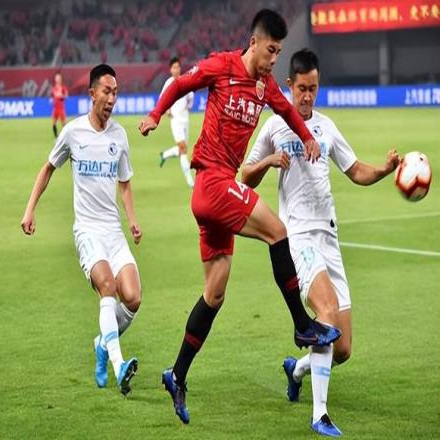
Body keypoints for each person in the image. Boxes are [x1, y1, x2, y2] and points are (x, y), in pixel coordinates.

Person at [139, 10, 341, 424]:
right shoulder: (222, 66)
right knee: (277, 231)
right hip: (212, 183)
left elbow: (287, 112)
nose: (274, 59)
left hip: (218, 192)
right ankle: (302, 325)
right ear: (254, 43)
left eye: (279, 52)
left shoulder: (265, 86)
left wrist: (307, 137)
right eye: (271, 51)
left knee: (214, 293)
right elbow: (180, 84)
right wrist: (156, 114)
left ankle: (177, 374)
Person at [243, 49, 399, 437]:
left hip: (329, 237)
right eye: (302, 88)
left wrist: (384, 169)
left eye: (313, 88)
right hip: (297, 238)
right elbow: (245, 175)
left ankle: (296, 370)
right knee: (325, 311)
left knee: (342, 348)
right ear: (289, 86)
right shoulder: (275, 127)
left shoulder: (326, 127)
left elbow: (355, 170)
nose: (308, 96)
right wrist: (269, 162)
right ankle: (320, 414)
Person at [21, 64, 142, 395]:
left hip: (113, 231)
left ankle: (102, 344)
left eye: (115, 93)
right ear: (92, 93)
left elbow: (125, 182)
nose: (112, 99)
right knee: (107, 287)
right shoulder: (73, 132)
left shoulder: (119, 136)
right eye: (106, 92)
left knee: (133, 298)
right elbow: (48, 168)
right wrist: (30, 209)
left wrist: (132, 220)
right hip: (87, 230)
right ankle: (118, 364)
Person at [158, 56, 195, 188]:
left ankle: (165, 155)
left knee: (182, 149)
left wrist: (188, 106)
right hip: (175, 121)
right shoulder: (168, 83)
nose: (176, 69)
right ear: (170, 69)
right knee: (183, 149)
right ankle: (190, 180)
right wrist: (167, 110)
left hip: (185, 120)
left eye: (178, 67)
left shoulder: (185, 80)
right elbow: (162, 98)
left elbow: (191, 97)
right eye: (174, 67)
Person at [51, 72, 68, 138]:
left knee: (64, 125)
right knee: (53, 123)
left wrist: (62, 96)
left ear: (61, 79)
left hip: (61, 108)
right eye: (56, 78)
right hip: (55, 108)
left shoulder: (63, 88)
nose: (57, 79)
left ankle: (66, 137)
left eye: (58, 78)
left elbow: (66, 96)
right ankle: (56, 137)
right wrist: (52, 99)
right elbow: (54, 96)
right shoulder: (54, 88)